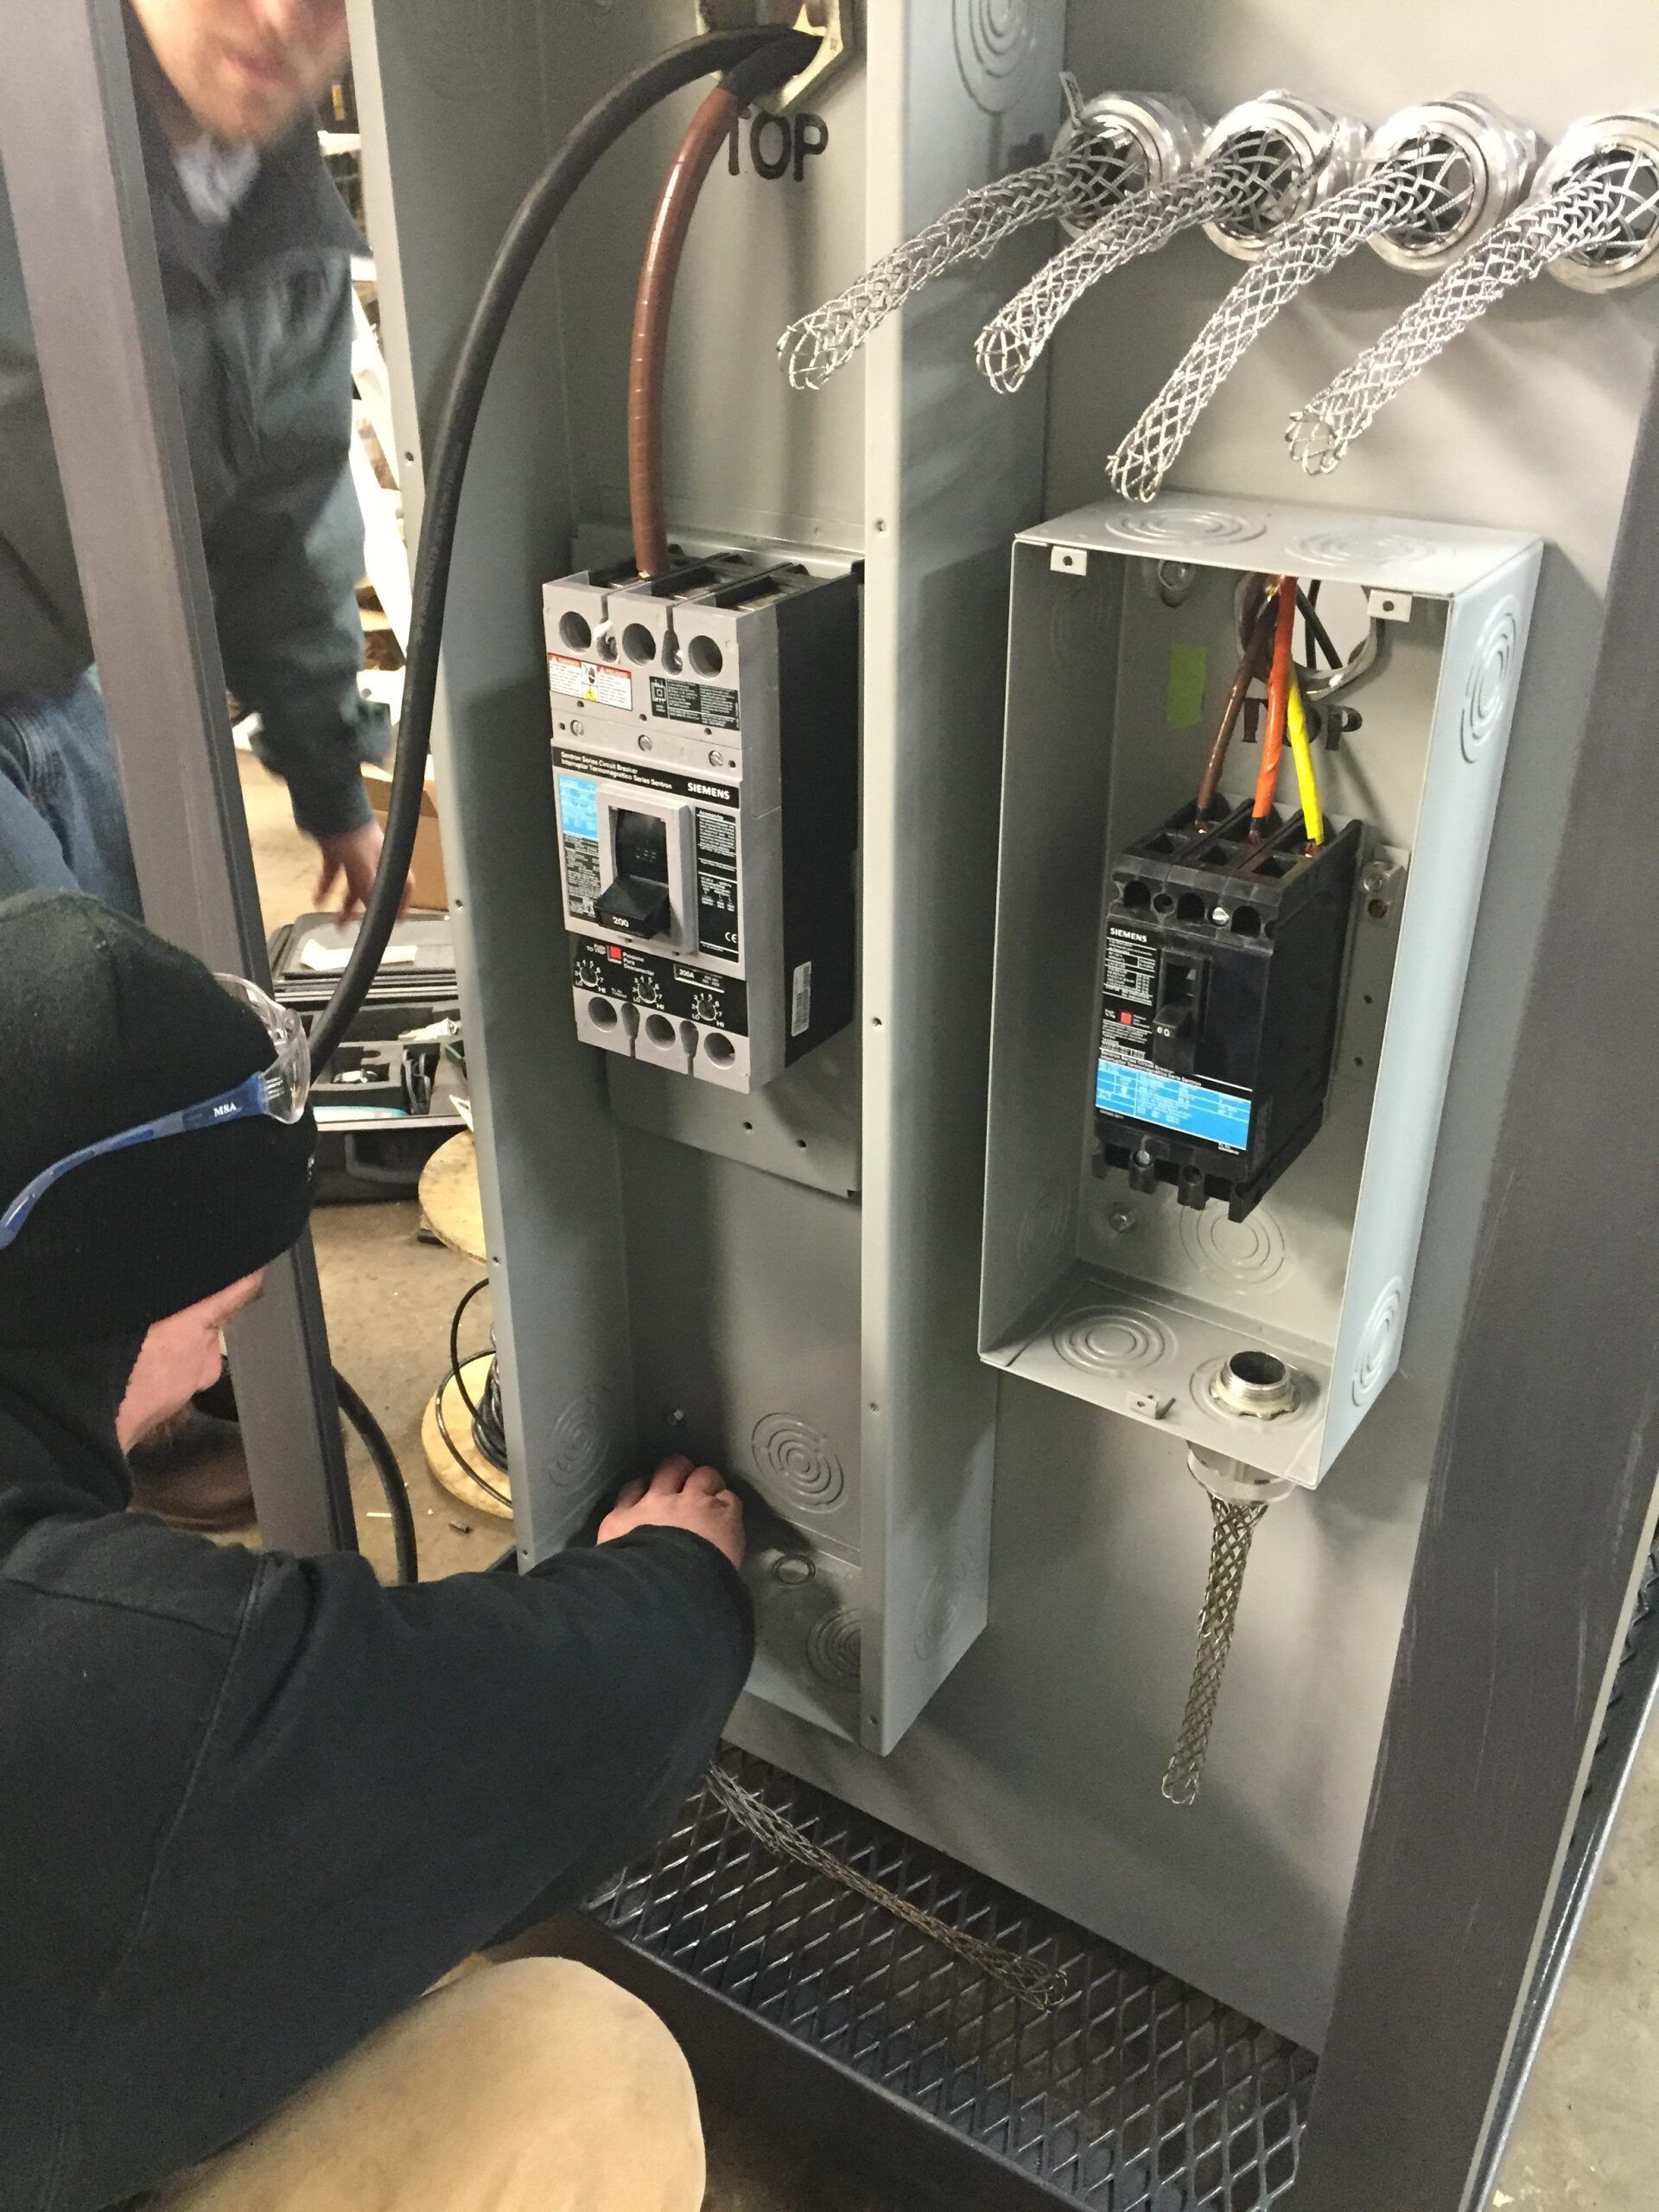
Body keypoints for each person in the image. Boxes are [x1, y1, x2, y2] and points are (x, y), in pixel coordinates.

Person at [0, 887, 753, 2212]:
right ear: (99, 1301)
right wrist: (675, 1578)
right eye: (214, 1316)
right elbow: (536, 1726)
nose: (221, 1361)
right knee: (573, 2066)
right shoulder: (113, 1676)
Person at [0, 0, 390, 919]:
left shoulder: (283, 230)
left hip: (53, 679)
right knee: (63, 1026)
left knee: (154, 990)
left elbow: (282, 528)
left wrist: (335, 790)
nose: (287, 15)